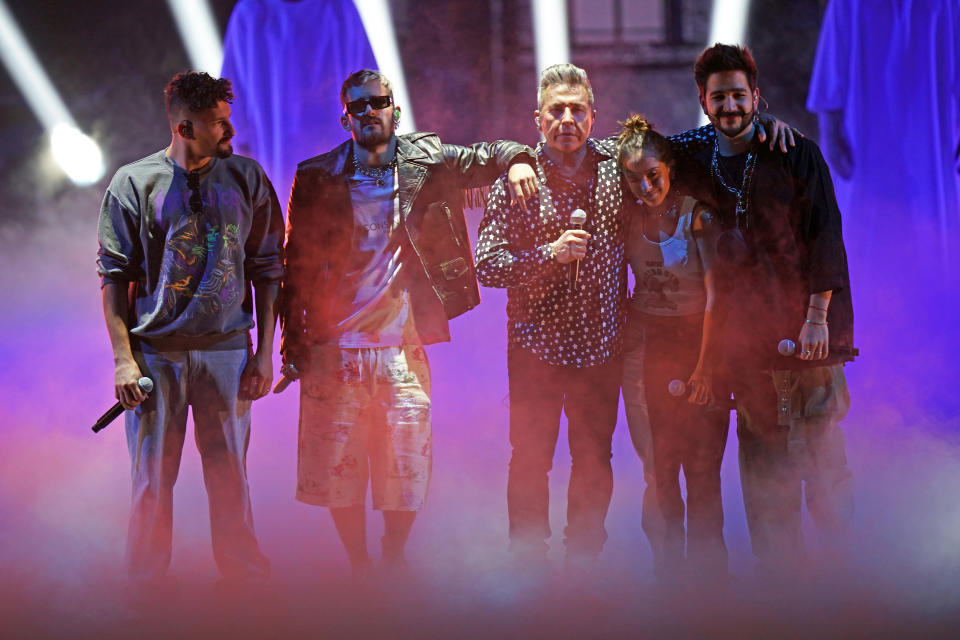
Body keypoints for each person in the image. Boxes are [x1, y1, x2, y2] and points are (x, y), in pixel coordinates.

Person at [279, 69, 537, 579]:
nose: (370, 111)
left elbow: (492, 152)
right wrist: (294, 342)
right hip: (336, 345)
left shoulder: (427, 159)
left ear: (395, 109)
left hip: (403, 344)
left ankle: (393, 559)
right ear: (345, 117)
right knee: (339, 469)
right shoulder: (317, 176)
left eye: (379, 102)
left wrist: (521, 162)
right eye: (359, 106)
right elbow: (295, 265)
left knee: (405, 467)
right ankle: (359, 568)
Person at [97, 71, 282, 596]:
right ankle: (146, 592)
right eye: (218, 123)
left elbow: (269, 270)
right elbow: (114, 278)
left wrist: (264, 352)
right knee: (152, 481)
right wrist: (122, 360)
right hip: (157, 357)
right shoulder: (134, 183)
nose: (230, 130)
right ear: (184, 126)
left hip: (227, 352)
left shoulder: (247, 177)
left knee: (232, 480)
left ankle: (245, 584)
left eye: (228, 118)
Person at [682, 43, 855, 574]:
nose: (730, 105)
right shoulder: (693, 156)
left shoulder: (795, 152)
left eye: (739, 94)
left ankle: (850, 593)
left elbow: (826, 234)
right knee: (765, 489)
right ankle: (786, 601)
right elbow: (637, 152)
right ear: (704, 103)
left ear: (756, 95)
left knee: (825, 478)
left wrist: (817, 317)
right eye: (719, 97)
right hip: (749, 355)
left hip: (810, 345)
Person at [616, 114, 729, 581]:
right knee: (662, 471)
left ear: (669, 169)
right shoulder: (626, 220)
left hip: (700, 343)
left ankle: (710, 577)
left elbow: (718, 296)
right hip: (653, 347)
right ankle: (670, 576)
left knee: (703, 474)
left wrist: (706, 368)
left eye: (653, 176)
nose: (645, 186)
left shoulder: (696, 215)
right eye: (634, 178)